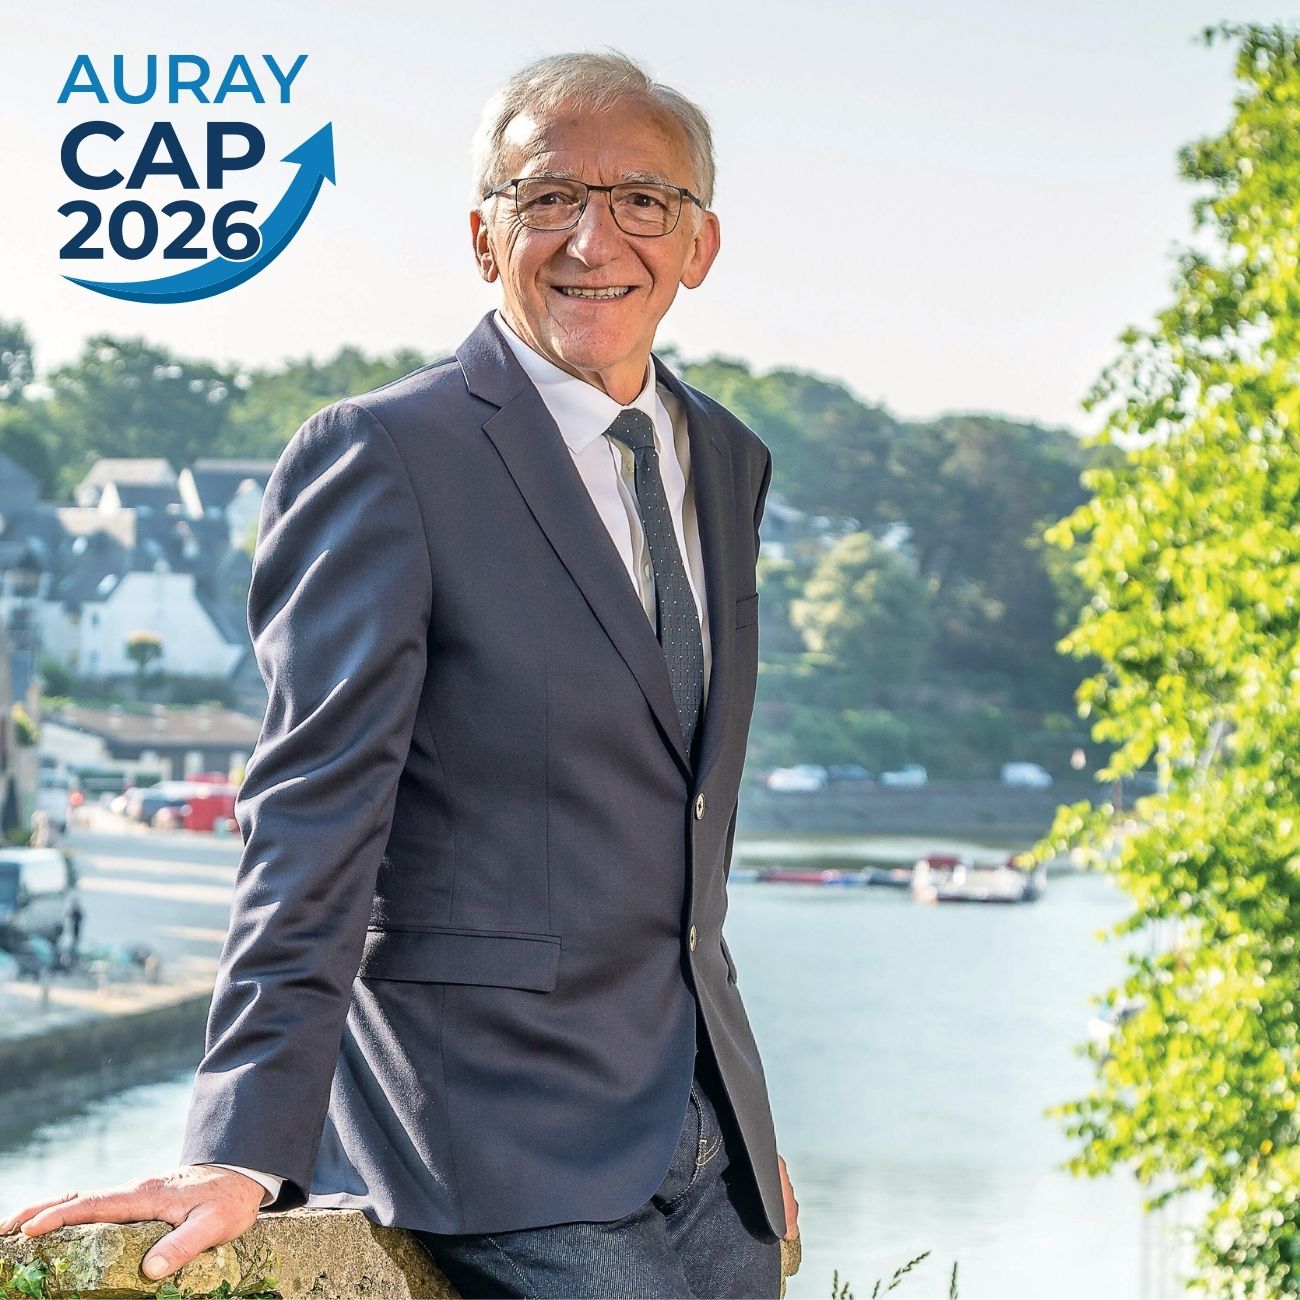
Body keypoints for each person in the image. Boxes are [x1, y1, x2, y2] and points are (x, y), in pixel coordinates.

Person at [0, 49, 800, 1298]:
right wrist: (238, 1150)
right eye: (546, 199)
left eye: (641, 200)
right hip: (490, 1133)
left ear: (697, 244)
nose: (594, 237)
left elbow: (686, 822)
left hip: (699, 1152)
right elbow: (311, 816)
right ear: (486, 238)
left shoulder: (725, 461)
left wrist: (738, 1126)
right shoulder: (385, 456)